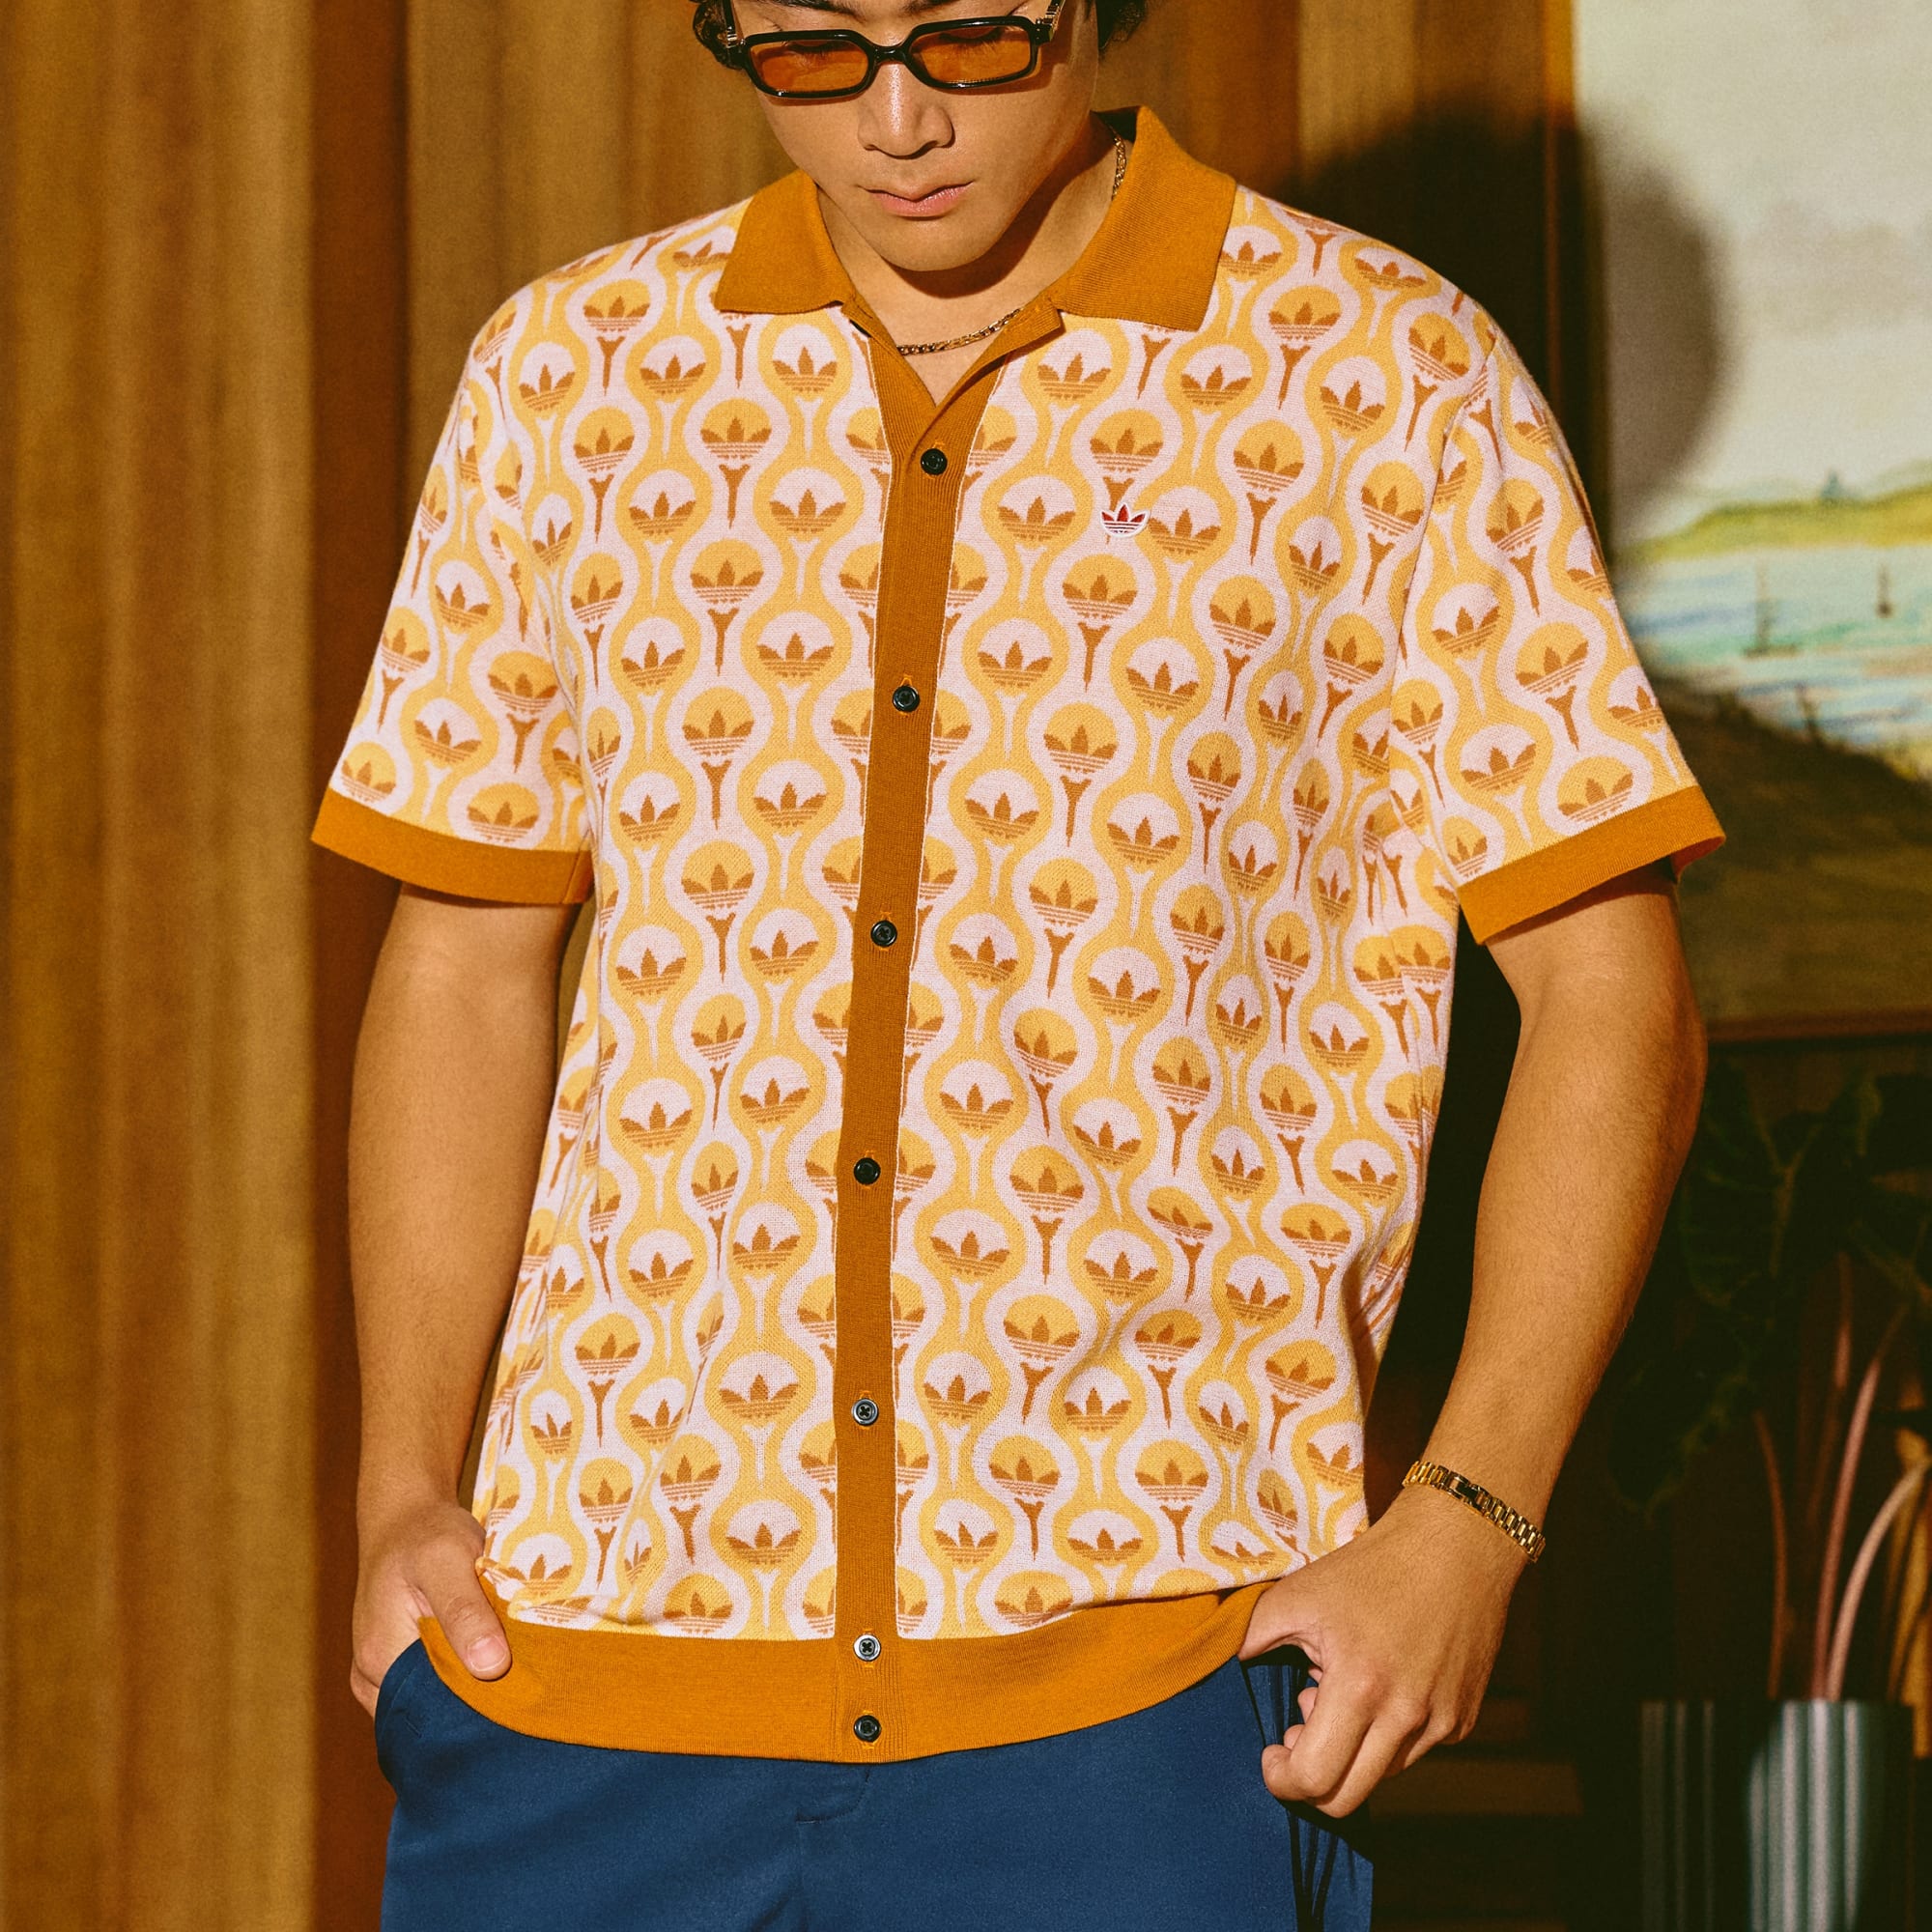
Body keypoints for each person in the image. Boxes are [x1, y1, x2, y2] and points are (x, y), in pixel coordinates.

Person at [314, 0, 1724, 1923]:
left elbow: (1610, 992)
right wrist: (402, 1486)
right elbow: (466, 961)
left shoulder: (1382, 373)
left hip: (1150, 1703)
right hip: (580, 1685)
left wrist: (1469, 1520)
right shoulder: (575, 375)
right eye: (812, 54)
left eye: (972, 38)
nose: (897, 121)